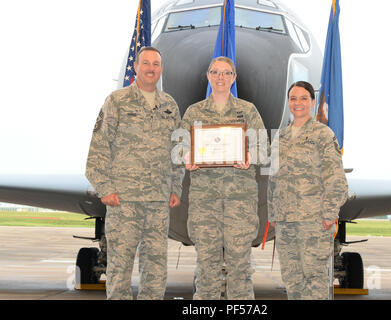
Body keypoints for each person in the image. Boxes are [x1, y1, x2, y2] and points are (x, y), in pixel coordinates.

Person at [85, 46, 184, 300]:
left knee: (155, 268)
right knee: (119, 268)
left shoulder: (170, 106)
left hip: (157, 201)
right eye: (146, 63)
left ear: (161, 69)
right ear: (136, 67)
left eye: (156, 64)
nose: (151, 68)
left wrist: (176, 187)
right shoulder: (117, 101)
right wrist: (105, 189)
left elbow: (179, 151)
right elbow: (98, 149)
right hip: (124, 200)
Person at [181, 56, 267, 300]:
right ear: (208, 76)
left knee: (240, 269)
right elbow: (177, 145)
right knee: (206, 269)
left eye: (226, 73)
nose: (220, 77)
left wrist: (250, 155)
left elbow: (265, 147)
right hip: (204, 205)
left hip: (239, 204)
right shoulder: (194, 112)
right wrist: (186, 155)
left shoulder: (248, 111)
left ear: (234, 78)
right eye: (215, 72)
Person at [267, 81, 348, 300]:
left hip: (313, 221)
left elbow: (336, 179)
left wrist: (330, 213)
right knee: (292, 280)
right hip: (285, 222)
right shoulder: (280, 137)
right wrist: (273, 214)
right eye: (293, 98)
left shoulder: (323, 135)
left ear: (312, 102)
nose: (298, 103)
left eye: (303, 98)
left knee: (316, 281)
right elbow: (272, 180)